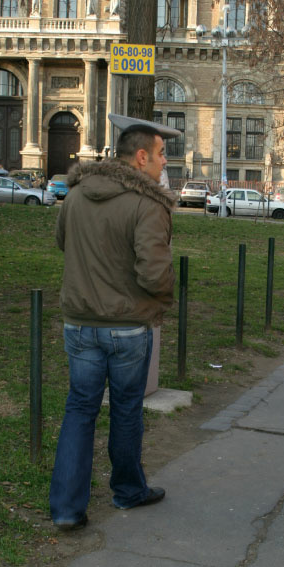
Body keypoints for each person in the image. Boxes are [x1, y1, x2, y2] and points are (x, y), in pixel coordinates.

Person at [49, 114, 180, 531]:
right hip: (127, 326)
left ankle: (67, 508)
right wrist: (162, 300)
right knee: (125, 410)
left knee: (80, 409)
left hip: (80, 322)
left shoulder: (76, 194)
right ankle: (127, 490)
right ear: (141, 157)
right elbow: (154, 273)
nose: (165, 161)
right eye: (161, 154)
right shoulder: (148, 203)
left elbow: (62, 242)